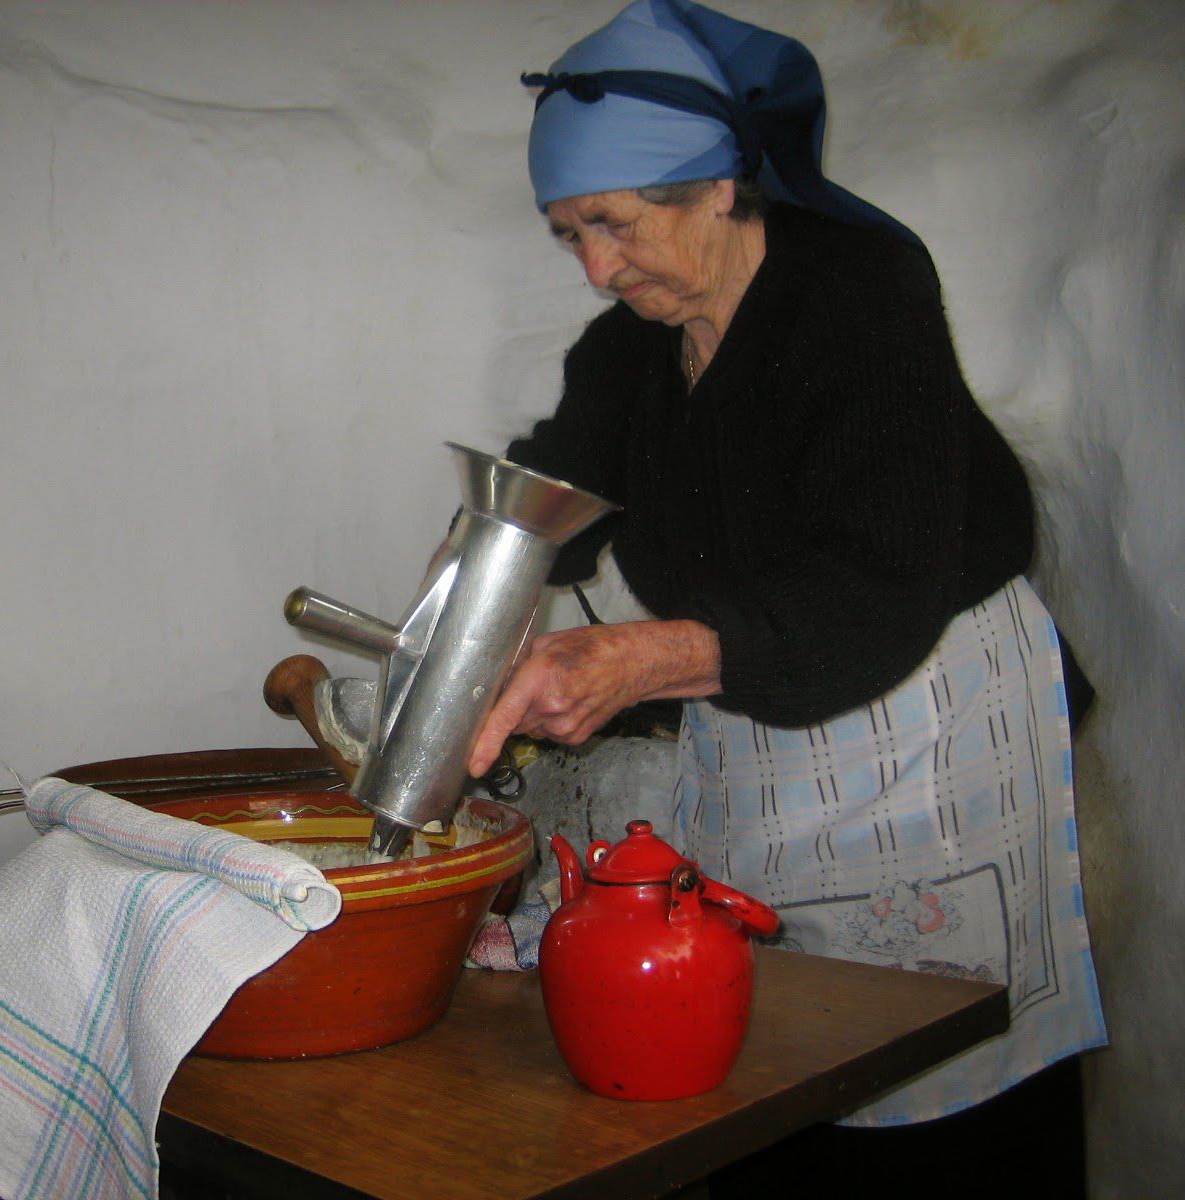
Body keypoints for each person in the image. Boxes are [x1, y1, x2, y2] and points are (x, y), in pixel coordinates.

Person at [466, 2, 1105, 1193]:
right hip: (762, 706)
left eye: (612, 222)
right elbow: (549, 499)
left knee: (930, 1058)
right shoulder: (627, 354)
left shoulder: (858, 294)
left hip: (930, 710)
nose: (598, 268)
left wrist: (631, 662)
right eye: (569, 237)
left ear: (716, 185)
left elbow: (871, 590)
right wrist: (458, 627)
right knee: (769, 1053)